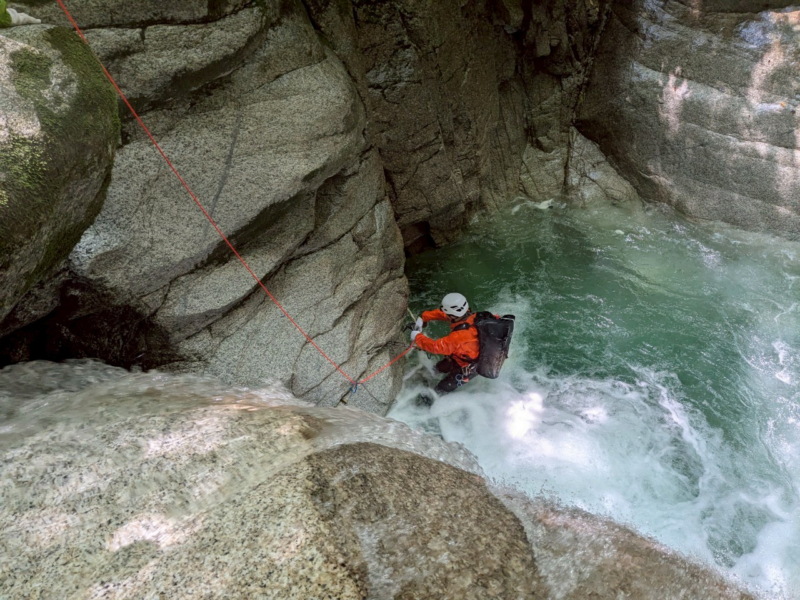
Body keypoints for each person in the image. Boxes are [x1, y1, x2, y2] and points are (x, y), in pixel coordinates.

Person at [410, 292, 480, 394]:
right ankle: (429, 376)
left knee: (441, 389)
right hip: (462, 355)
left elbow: (436, 347)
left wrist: (417, 336)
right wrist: (425, 316)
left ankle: (427, 403)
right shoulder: (470, 315)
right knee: (437, 369)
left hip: (467, 367)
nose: (446, 315)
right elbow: (446, 315)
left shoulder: (459, 336)